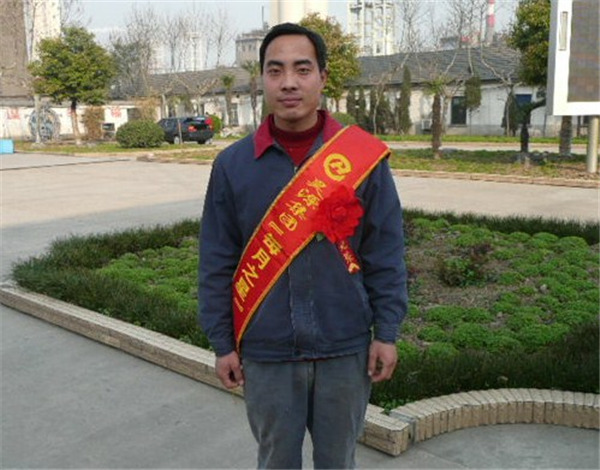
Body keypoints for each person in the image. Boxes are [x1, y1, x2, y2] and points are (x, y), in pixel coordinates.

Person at [199, 22, 408, 469]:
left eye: (302, 69)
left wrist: (386, 332)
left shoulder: (360, 159)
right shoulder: (233, 165)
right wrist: (222, 343)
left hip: (344, 348)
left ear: (323, 77)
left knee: (338, 462)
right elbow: (216, 261)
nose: (289, 82)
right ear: (262, 79)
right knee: (276, 461)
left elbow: (385, 253)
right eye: (275, 71)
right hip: (267, 351)